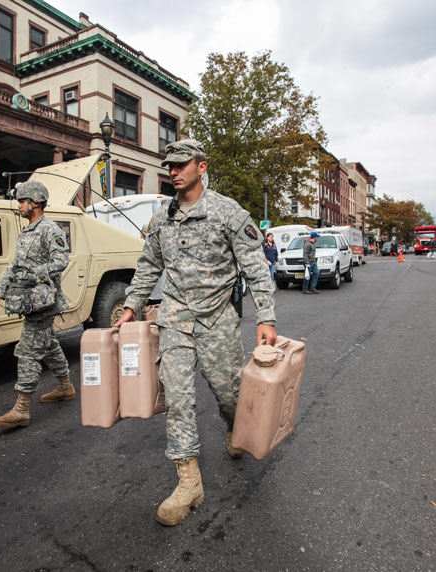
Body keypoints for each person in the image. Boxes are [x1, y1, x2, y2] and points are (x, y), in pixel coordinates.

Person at [113, 139, 277, 527]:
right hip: (174, 320)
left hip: (217, 320)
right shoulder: (162, 217)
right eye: (168, 165)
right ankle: (189, 481)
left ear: (201, 167)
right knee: (179, 397)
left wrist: (266, 317)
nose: (173, 171)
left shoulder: (227, 212)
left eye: (181, 164)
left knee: (229, 394)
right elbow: (149, 265)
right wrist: (132, 305)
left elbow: (255, 267)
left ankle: (235, 426)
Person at [0, 180, 72, 428]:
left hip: (44, 301)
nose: (19, 206)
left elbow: (61, 260)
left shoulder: (50, 229)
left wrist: (34, 274)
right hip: (30, 300)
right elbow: (16, 265)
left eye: (21, 202)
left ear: (34, 202)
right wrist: (1, 288)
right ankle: (65, 387)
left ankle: (22, 408)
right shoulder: (27, 231)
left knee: (27, 350)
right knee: (48, 344)